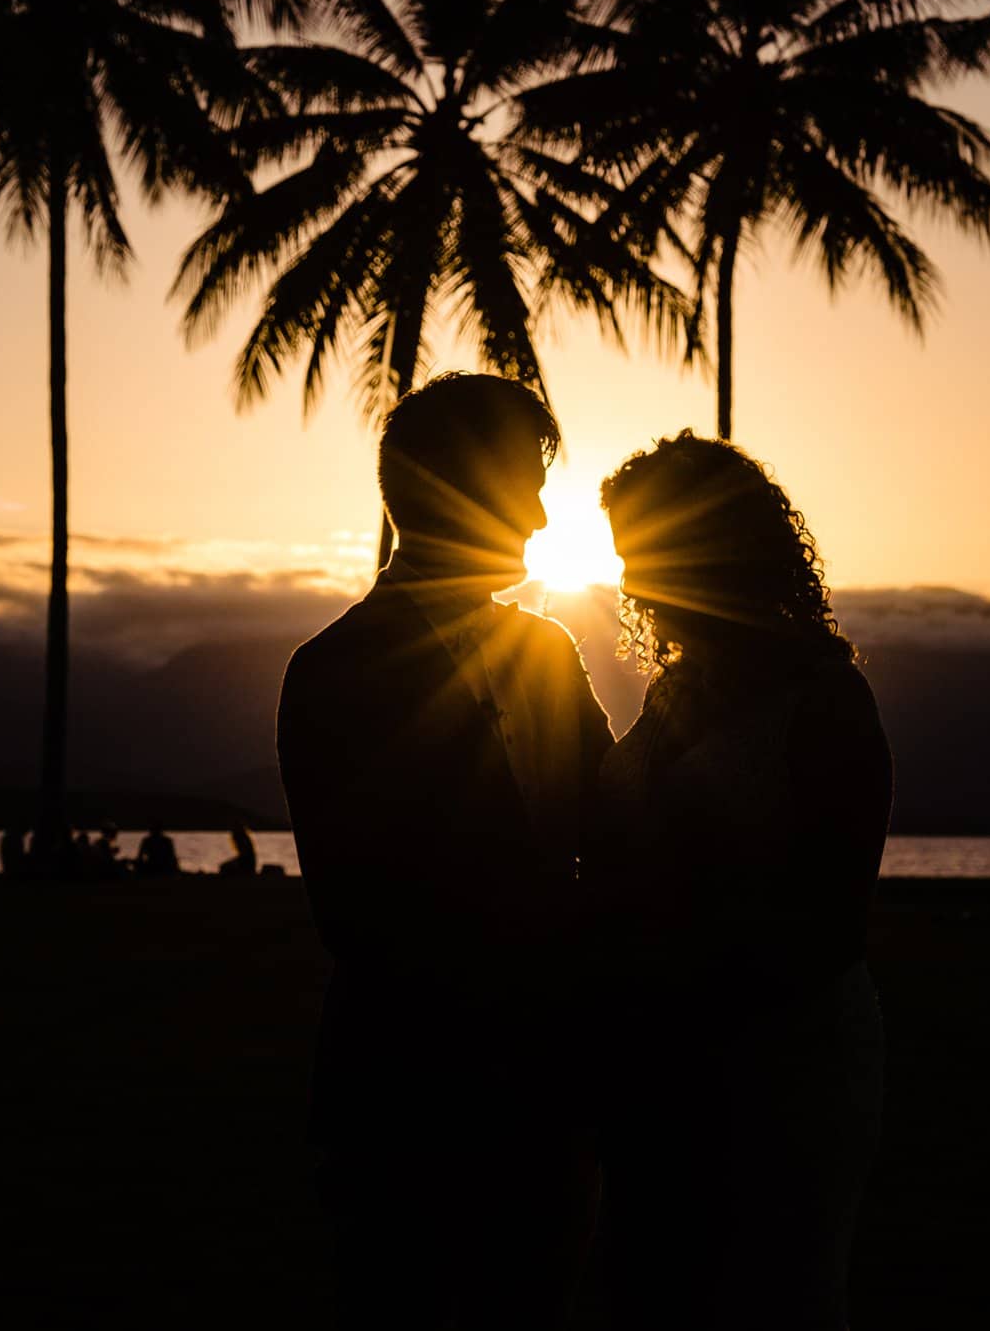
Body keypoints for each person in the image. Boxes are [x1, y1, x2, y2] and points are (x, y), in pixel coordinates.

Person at [276, 374, 612, 1328]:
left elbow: (614, 823)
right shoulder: (340, 669)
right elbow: (361, 909)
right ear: (455, 484)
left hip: (548, 1101)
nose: (545, 515)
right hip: (409, 1105)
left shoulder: (547, 649)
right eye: (522, 481)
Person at [591, 432, 894, 1329]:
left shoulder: (825, 700)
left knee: (773, 1293)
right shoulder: (671, 693)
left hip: (780, 1063)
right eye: (624, 560)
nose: (633, 583)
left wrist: (676, 995)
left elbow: (830, 924)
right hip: (657, 1058)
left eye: (648, 555)